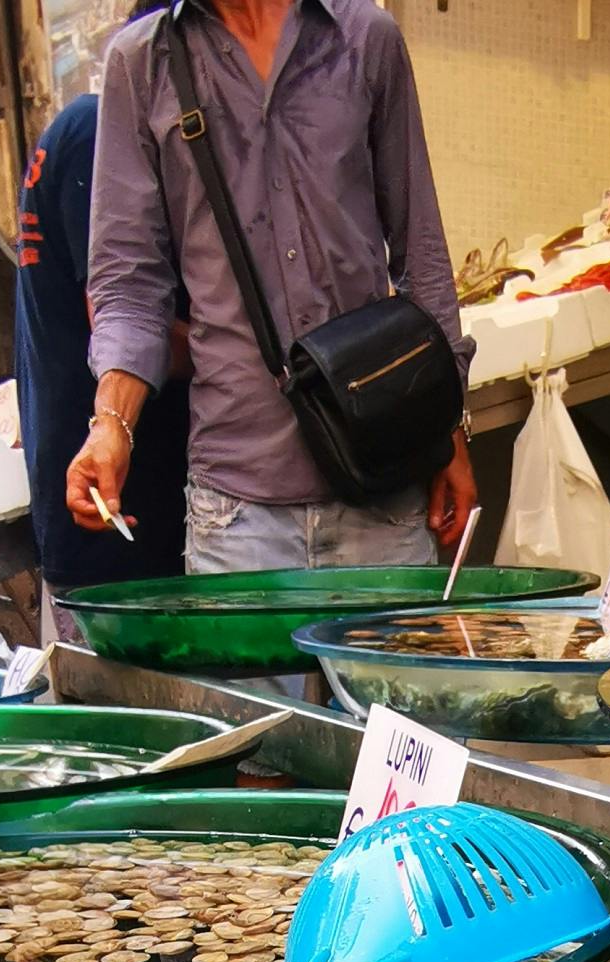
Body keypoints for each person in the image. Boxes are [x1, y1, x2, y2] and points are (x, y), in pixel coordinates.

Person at [68, 0, 477, 573]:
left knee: (386, 670)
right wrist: (110, 425)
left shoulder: (365, 38)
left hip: (382, 488)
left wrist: (450, 429)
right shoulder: (142, 64)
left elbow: (421, 252)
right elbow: (130, 284)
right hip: (235, 512)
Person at [16, 83, 190, 593]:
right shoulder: (98, 134)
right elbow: (119, 314)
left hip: (102, 500)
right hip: (119, 509)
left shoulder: (82, 128)